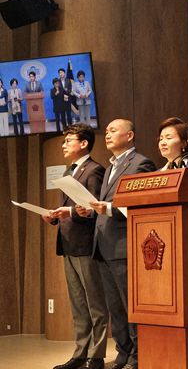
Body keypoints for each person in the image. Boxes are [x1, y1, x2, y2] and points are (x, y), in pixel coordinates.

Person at [77, 118, 156, 369]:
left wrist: (109, 208)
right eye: (107, 131)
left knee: (130, 305)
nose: (108, 134)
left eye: (113, 130)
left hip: (124, 246)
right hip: (103, 245)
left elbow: (142, 205)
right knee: (115, 308)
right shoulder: (111, 166)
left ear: (129, 135)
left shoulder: (141, 163)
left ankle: (138, 355)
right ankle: (123, 352)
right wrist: (91, 211)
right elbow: (106, 206)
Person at [42, 124, 108, 369]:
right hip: (68, 244)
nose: (64, 145)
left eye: (68, 140)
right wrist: (54, 216)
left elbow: (94, 209)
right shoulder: (70, 171)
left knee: (95, 304)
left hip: (86, 245)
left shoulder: (94, 170)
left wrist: (69, 212)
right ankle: (80, 353)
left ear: (84, 143)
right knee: (79, 305)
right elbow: (74, 208)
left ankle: (96, 355)